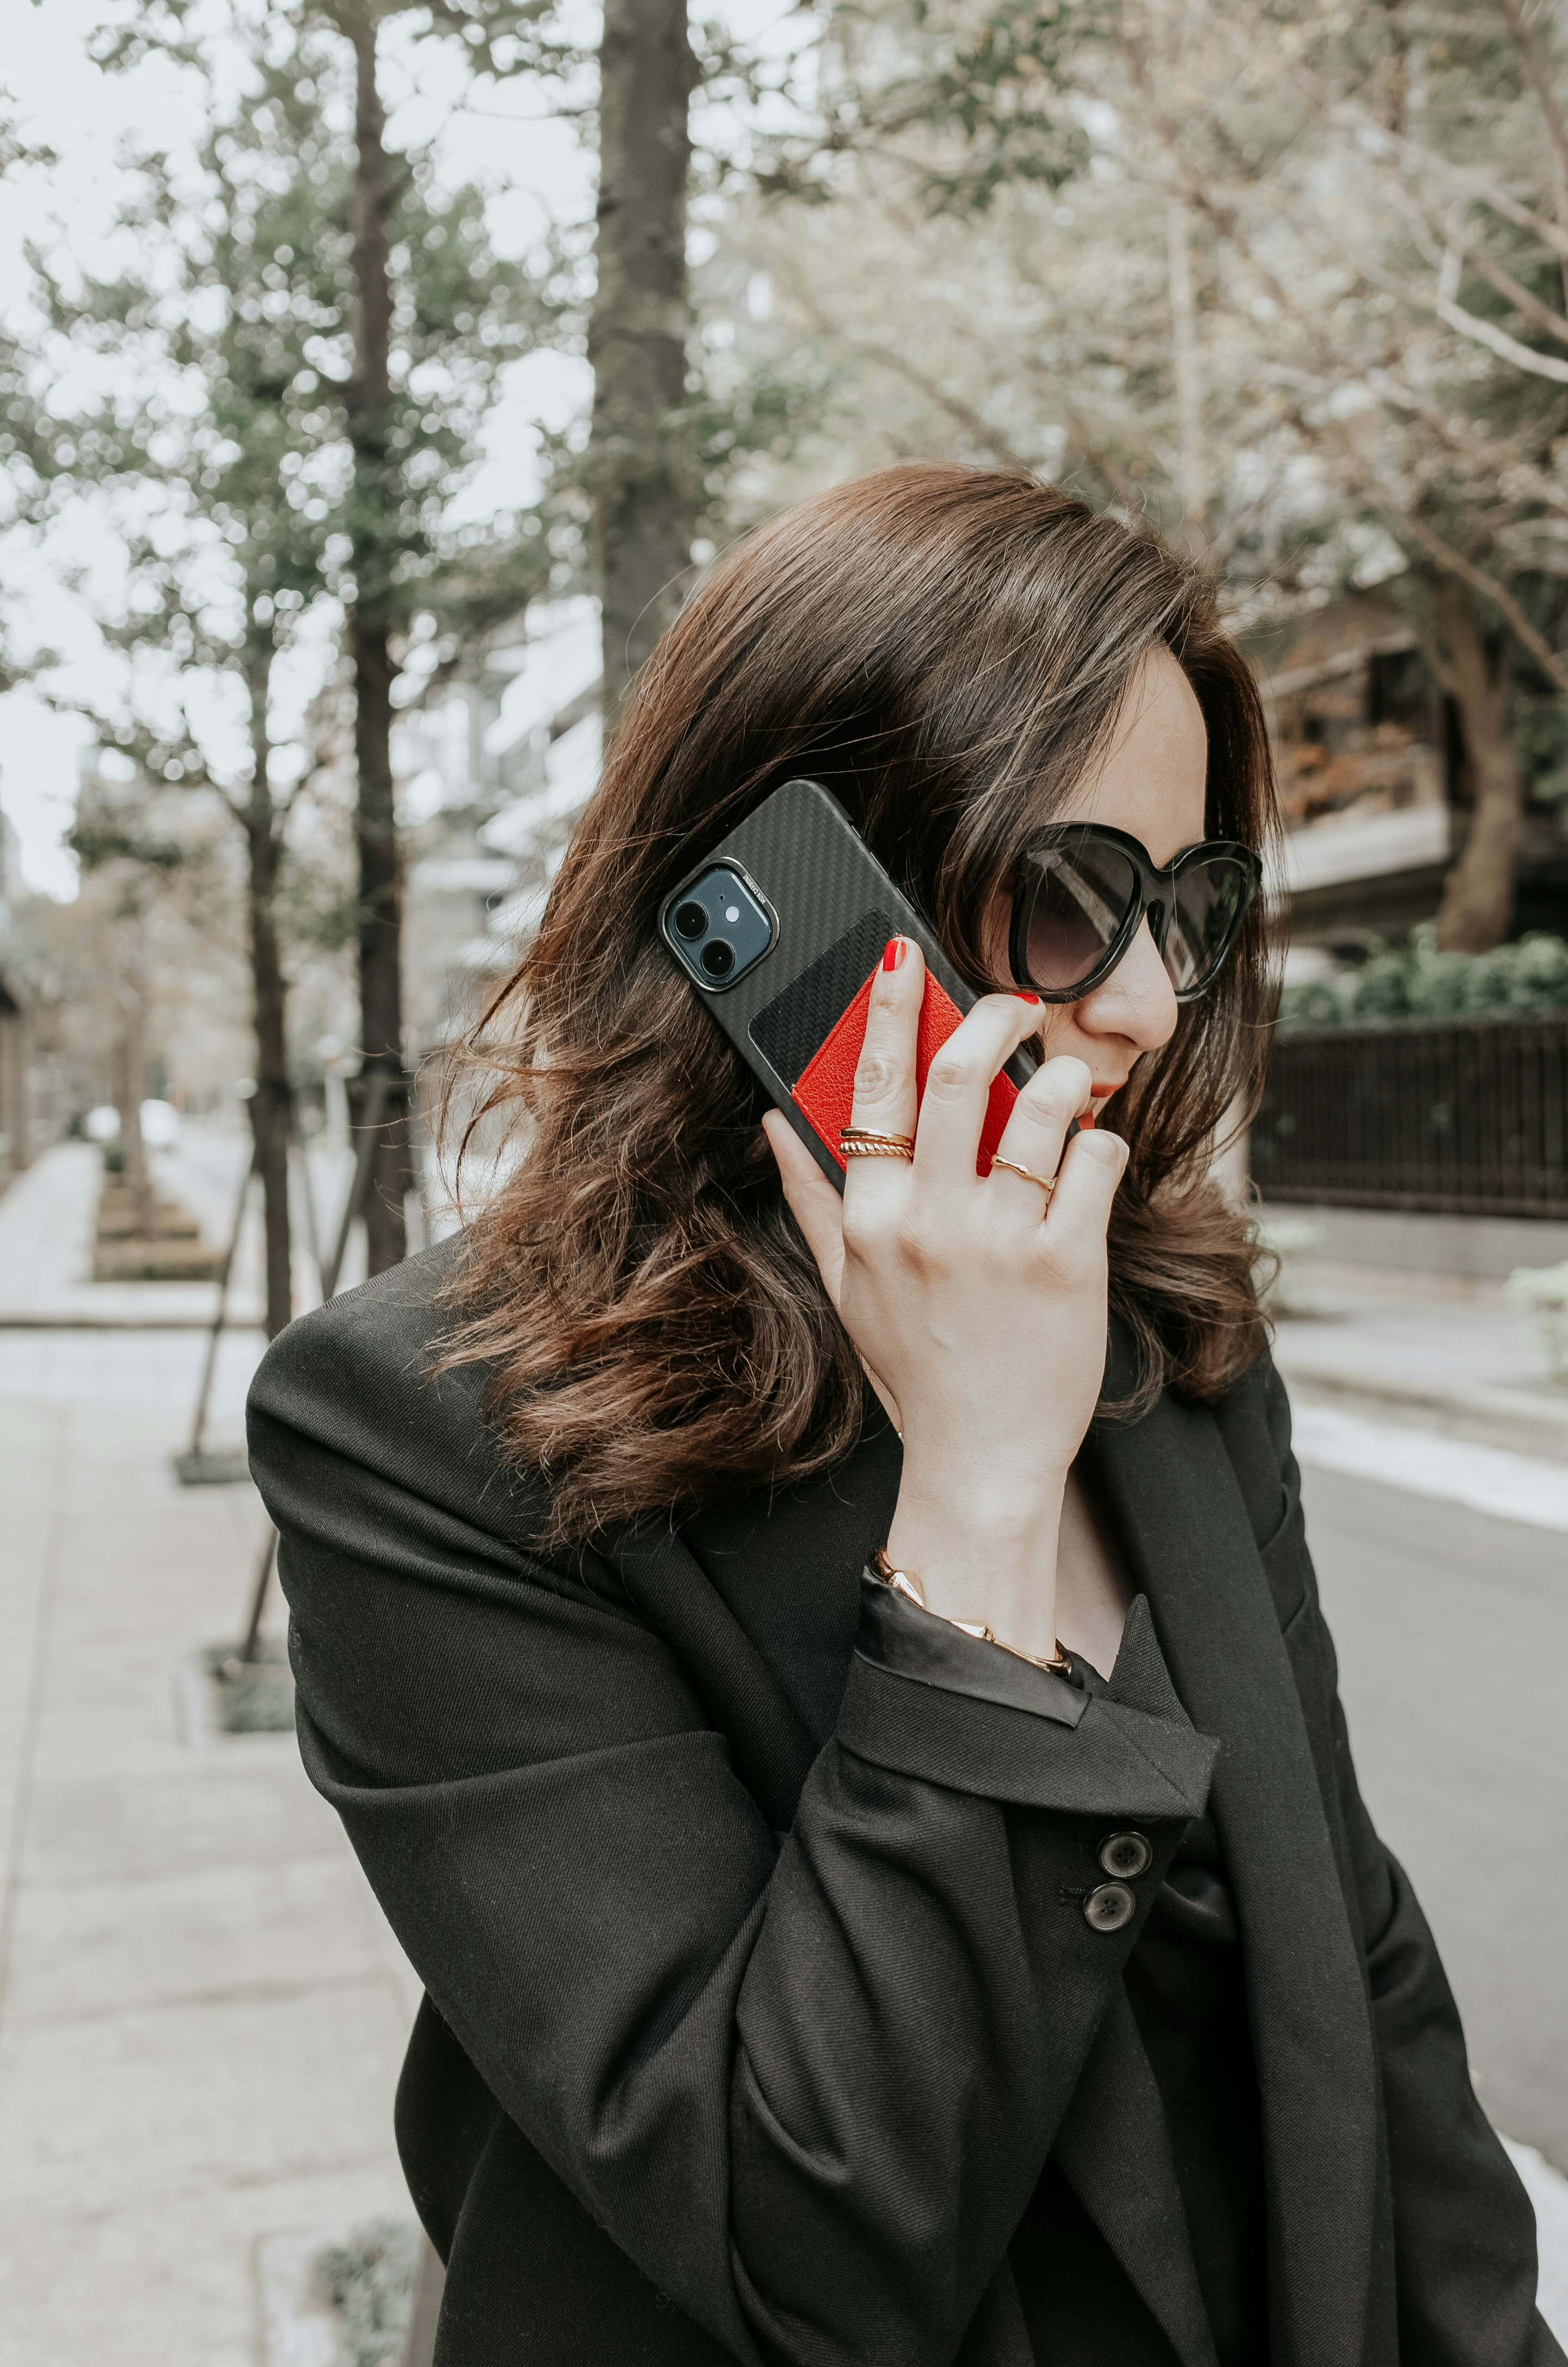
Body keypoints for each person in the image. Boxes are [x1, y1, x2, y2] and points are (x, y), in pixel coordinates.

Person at [248, 465, 1559, 2367]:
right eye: (1072, 898)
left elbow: (1354, 1954)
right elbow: (811, 2238)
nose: (1149, 1000)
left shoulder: (1163, 1324)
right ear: (820, 887)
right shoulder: (426, 1433)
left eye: (1190, 906)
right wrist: (981, 1487)